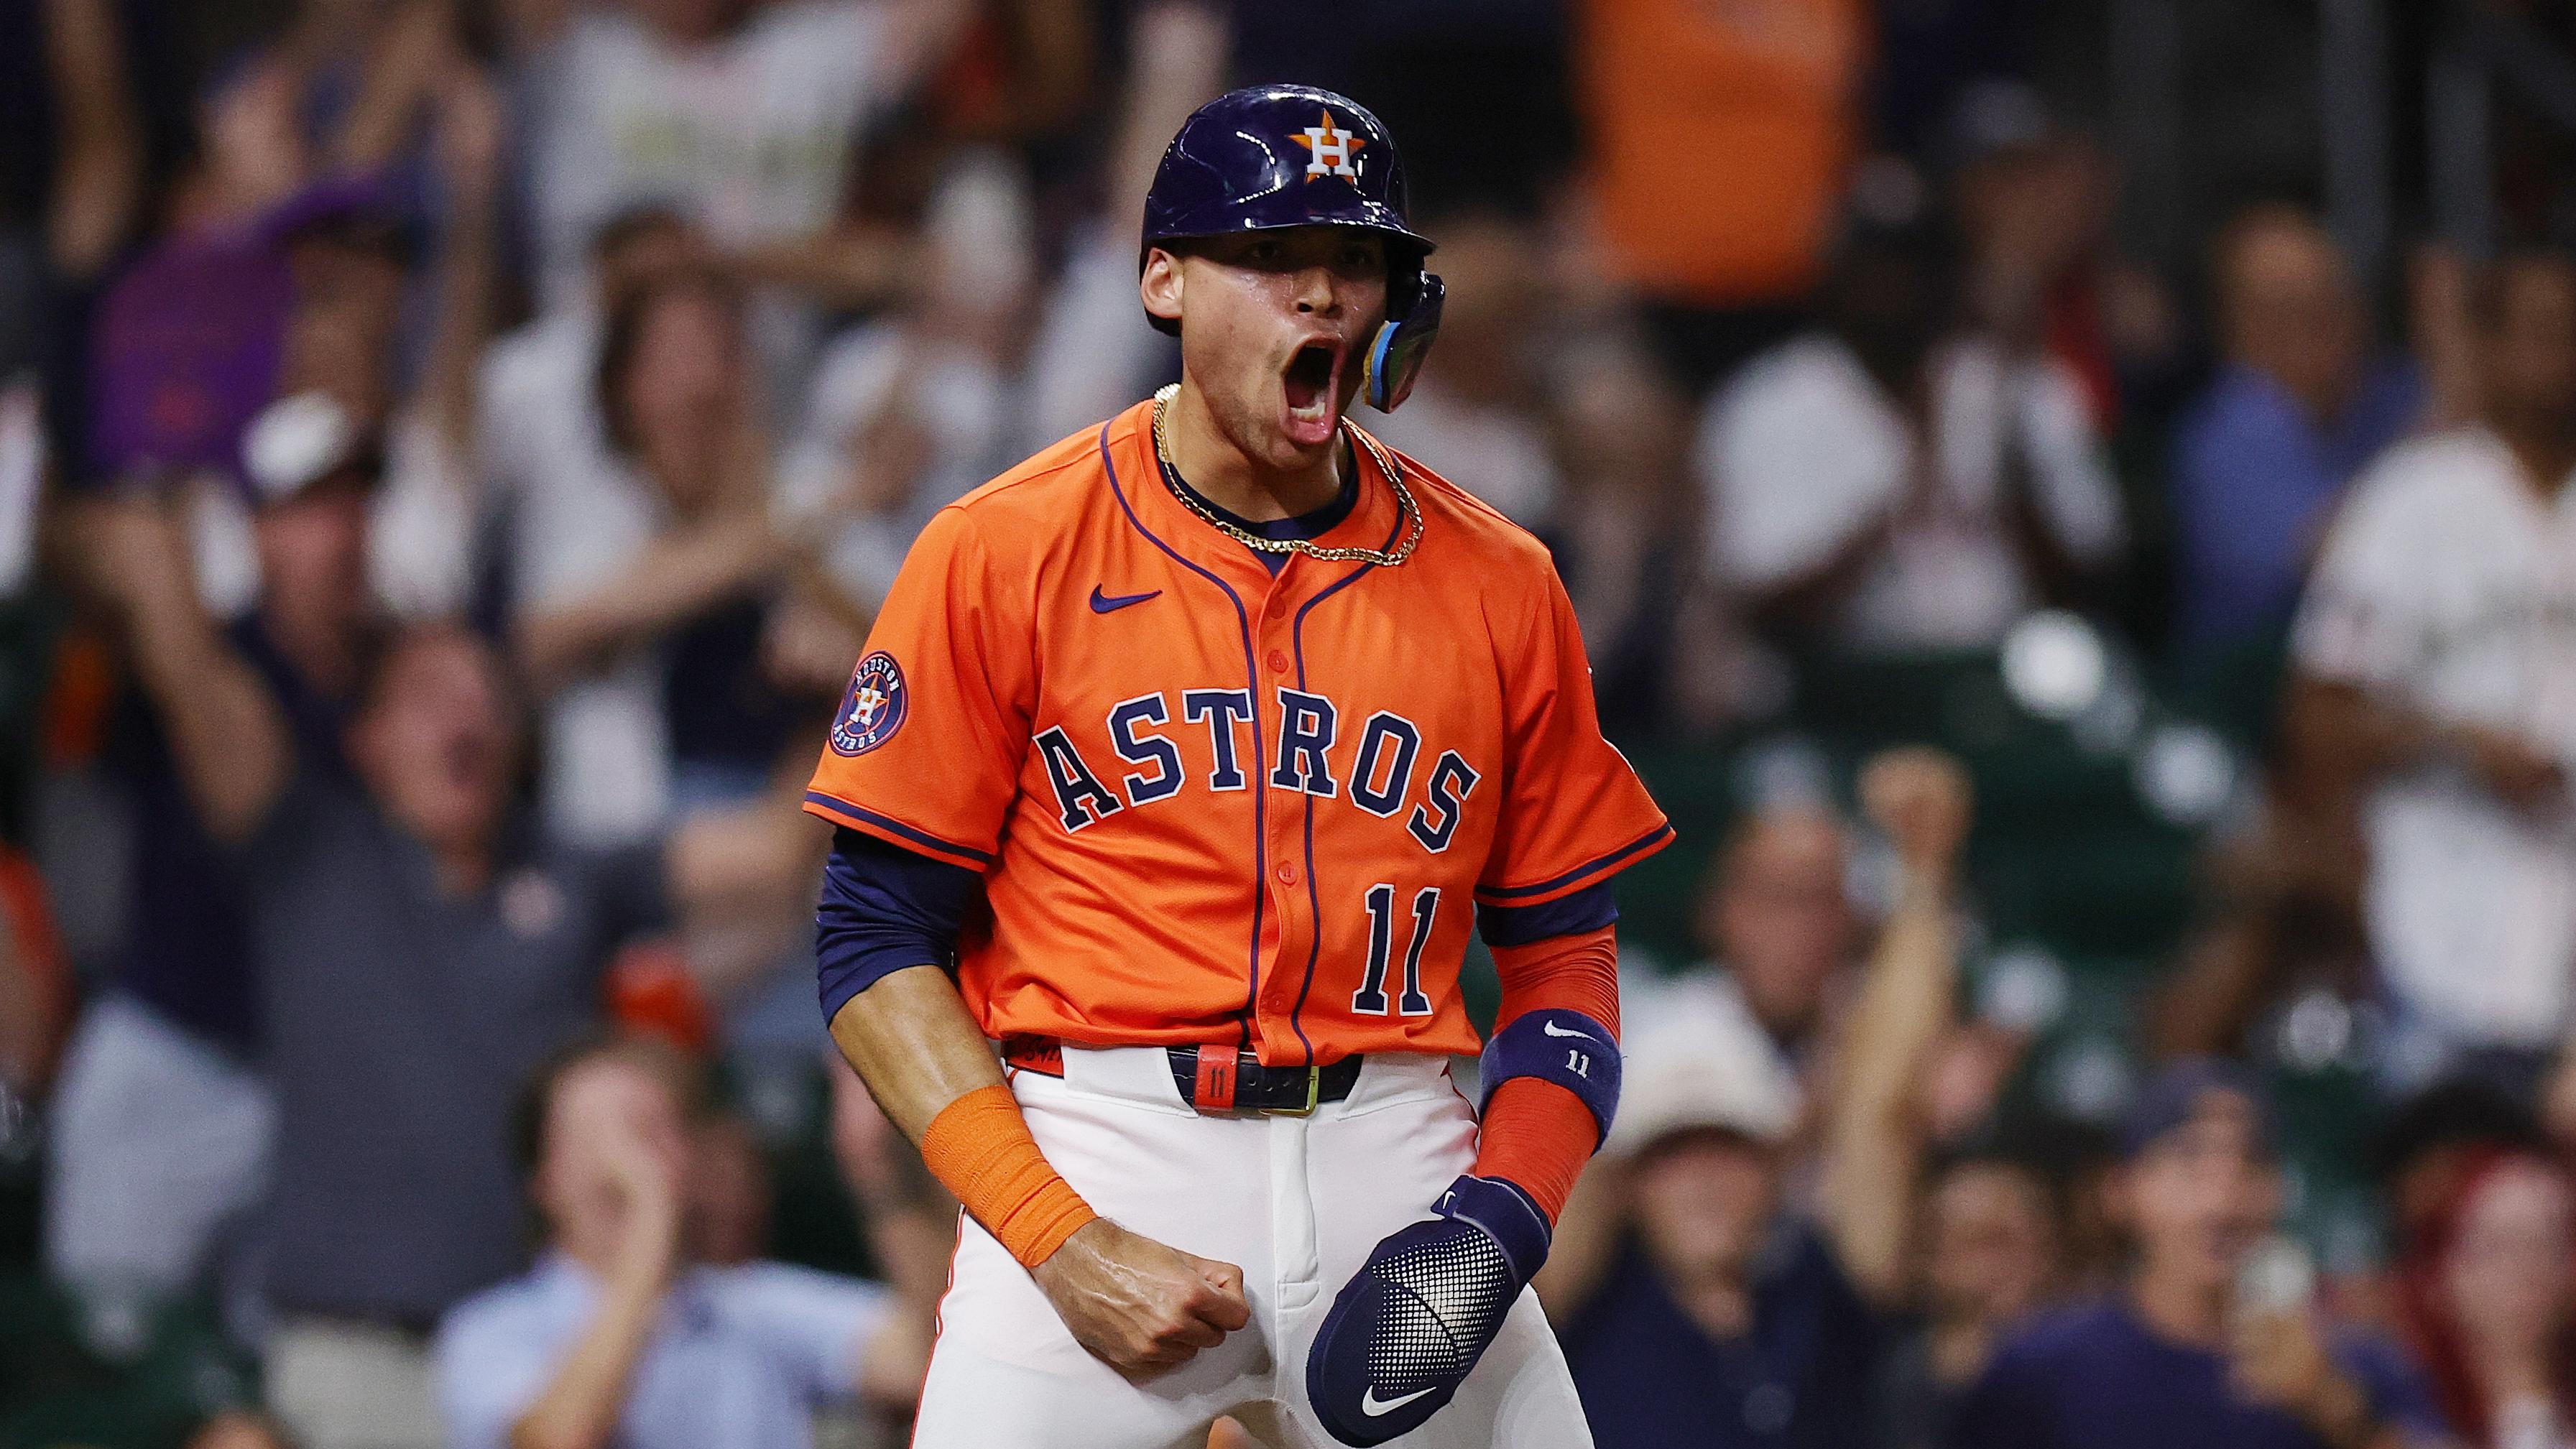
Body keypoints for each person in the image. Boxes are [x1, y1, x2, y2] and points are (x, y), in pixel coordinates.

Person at [805, 85, 1672, 1447]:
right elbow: (869, 941)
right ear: (1164, 277)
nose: (1323, 295)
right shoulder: (1004, 549)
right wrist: (1056, 1238)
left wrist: (1499, 1223)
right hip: (1100, 1140)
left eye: (1357, 260)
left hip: (1399, 1146)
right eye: (1273, 258)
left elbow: (1568, 951)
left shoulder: (1501, 581)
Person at [68, 494, 821, 1449]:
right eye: (428, 696)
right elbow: (196, 681)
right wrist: (152, 538)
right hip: (343, 1364)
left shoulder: (571, 868)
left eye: (488, 697)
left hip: (530, 1354)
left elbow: (773, 851)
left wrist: (849, 688)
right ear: (367, 739)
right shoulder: (304, 850)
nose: (466, 716)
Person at [2282, 249, 2576, 1090]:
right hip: (2442, 919)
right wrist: (2455, 743)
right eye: (2539, 332)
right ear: (2484, 343)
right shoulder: (2411, 499)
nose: (2559, 358)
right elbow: (2317, 715)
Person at [434, 1034, 920, 1449]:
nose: (628, 1163)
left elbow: (924, 1360)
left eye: (651, 1130)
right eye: (598, 1135)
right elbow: (558, 1436)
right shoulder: (491, 1330)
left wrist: (884, 1179)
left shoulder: (749, 1303)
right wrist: (650, 1214)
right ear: (543, 1178)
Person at [1947, 1060, 2449, 1449]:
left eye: (2250, 1163)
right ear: (2120, 1191)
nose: (2223, 1198)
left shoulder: (2351, 1365)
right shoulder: (2040, 1368)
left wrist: (2334, 1406)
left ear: (2277, 1192)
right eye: (2190, 1161)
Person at [1697, 196, 2125, 653]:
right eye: (1876, 268)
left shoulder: (2012, 387)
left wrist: (2010, 467)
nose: (1896, 288)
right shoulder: (1770, 402)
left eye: (1914, 267)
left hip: (2011, 674)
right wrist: (1884, 525)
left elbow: (2096, 577)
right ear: (1836, 276)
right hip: (1841, 687)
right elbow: (1757, 604)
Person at [2170, 206, 2423, 664]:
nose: (2327, 325)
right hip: (2256, 698)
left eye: (2334, 298)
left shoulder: (2390, 393)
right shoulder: (2223, 436)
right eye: (2291, 307)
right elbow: (2336, 555)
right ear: (2235, 326)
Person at [2394, 1148, 2576, 1447]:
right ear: (2439, 1274)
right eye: (2498, 1246)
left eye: (2548, 1244)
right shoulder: (2403, 1421)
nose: (2528, 1269)